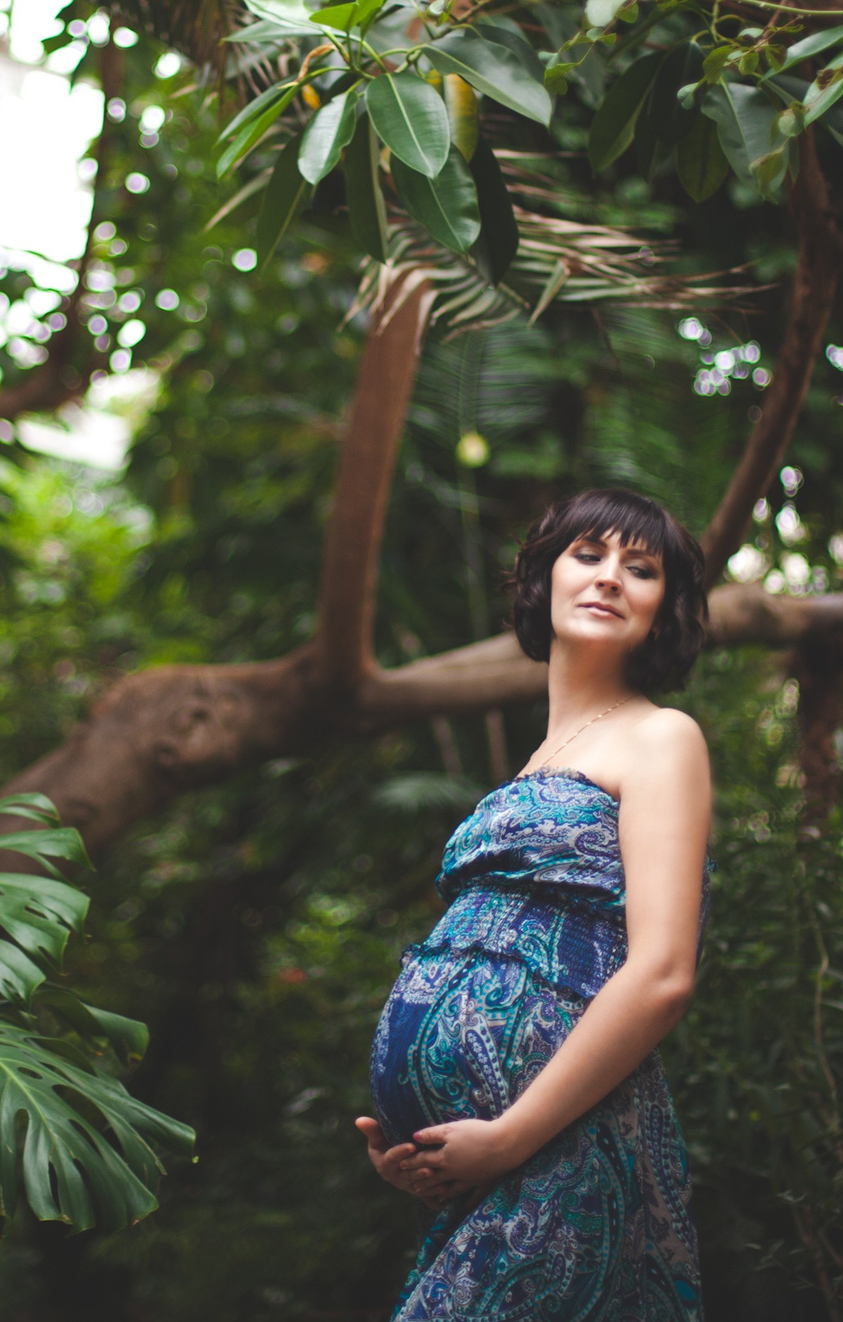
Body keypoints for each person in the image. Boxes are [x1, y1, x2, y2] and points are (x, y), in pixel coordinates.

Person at [358, 487, 713, 1320]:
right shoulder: (541, 760)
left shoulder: (661, 737)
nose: (611, 578)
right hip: (493, 1171)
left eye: (642, 568)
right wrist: (429, 1151)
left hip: (567, 1145)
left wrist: (510, 1136)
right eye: (588, 555)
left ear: (664, 610)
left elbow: (662, 973)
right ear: (542, 580)